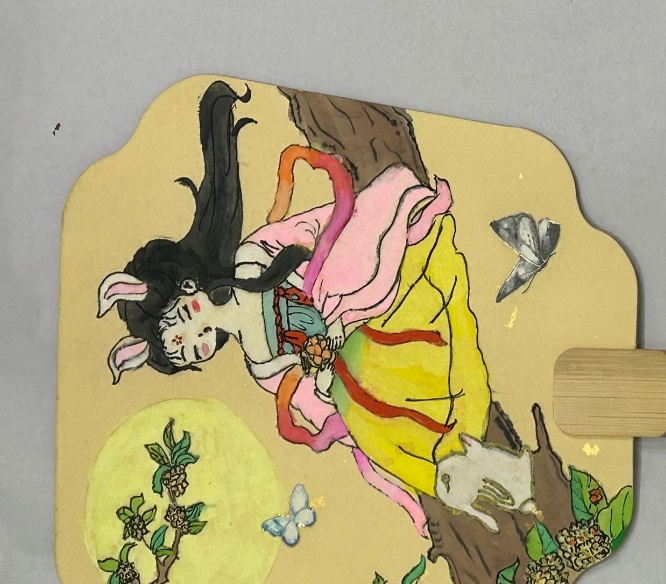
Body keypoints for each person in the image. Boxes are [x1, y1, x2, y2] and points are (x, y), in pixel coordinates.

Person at [97, 80, 490, 536]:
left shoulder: (250, 259)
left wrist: (325, 299)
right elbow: (311, 400)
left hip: (357, 291)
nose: (197, 338)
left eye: (184, 320)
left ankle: (410, 218)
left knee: (341, 277)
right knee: (365, 422)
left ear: (190, 288)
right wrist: (320, 376)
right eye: (186, 352)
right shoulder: (261, 364)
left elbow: (320, 228)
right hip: (361, 361)